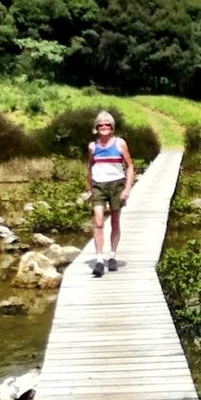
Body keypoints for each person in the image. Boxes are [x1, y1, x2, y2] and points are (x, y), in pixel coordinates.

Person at [84, 110, 134, 277]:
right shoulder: (93, 146)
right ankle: (99, 259)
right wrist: (89, 188)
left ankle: (112, 255)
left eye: (107, 125)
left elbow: (130, 166)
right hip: (99, 186)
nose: (104, 127)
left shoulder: (120, 143)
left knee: (115, 220)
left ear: (112, 127)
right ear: (96, 128)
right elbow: (90, 167)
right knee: (98, 221)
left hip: (116, 185)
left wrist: (127, 189)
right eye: (101, 125)